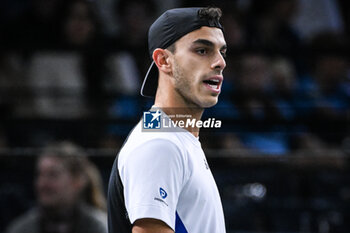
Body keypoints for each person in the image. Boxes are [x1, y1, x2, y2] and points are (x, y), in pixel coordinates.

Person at [108, 7, 227, 233]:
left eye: (222, 52)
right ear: (163, 61)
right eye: (202, 50)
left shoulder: (173, 139)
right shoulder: (160, 144)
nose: (220, 62)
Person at [6, 141, 108, 233]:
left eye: (53, 175)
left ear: (78, 180)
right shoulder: (22, 229)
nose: (42, 184)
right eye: (39, 175)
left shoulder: (100, 227)